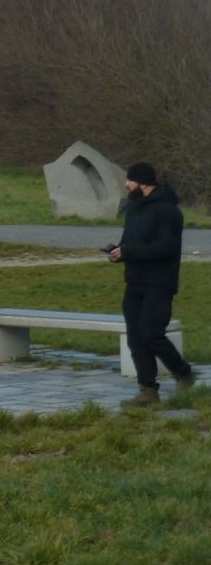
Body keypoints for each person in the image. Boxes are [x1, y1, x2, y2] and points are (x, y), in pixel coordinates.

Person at [109, 162, 195, 406]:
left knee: (151, 333)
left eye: (130, 180)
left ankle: (183, 373)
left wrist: (129, 251)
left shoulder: (168, 211)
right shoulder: (134, 209)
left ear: (143, 182)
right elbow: (128, 243)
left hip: (159, 283)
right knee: (135, 338)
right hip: (134, 282)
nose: (126, 184)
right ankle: (148, 391)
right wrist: (118, 253)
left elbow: (167, 248)